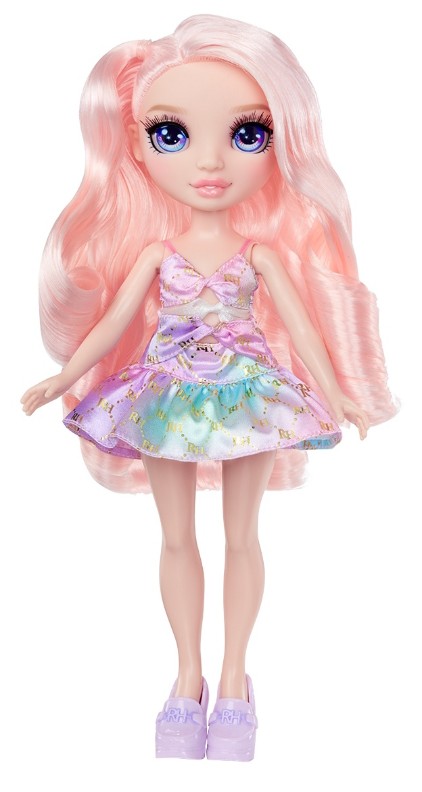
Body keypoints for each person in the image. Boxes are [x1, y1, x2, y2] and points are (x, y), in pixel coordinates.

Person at [21, 14, 396, 761]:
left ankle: (233, 681)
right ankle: (185, 677)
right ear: (138, 146)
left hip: (249, 395)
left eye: (248, 134)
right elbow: (112, 321)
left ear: (280, 143)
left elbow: (307, 334)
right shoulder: (156, 252)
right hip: (164, 395)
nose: (212, 161)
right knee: (174, 537)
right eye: (173, 134)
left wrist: (340, 393)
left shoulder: (261, 255)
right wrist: (64, 375)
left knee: (241, 536)